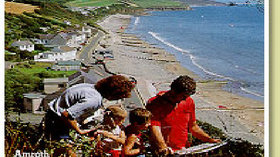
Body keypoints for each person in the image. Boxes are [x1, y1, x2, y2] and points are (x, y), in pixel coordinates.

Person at [45, 75, 135, 141]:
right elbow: (66, 114)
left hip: (52, 115)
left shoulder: (88, 87)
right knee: (65, 149)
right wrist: (79, 130)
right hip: (57, 122)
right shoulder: (94, 100)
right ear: (113, 93)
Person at [146, 75, 220, 155]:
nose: (185, 99)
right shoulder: (154, 103)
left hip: (182, 150)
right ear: (174, 91)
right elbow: (155, 128)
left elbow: (193, 127)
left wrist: (209, 139)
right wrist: (163, 147)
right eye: (183, 96)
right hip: (162, 151)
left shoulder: (189, 102)